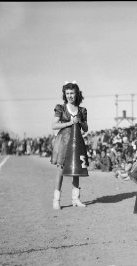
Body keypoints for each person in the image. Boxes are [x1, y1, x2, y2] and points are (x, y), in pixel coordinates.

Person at [50, 81, 88, 209]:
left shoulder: (82, 110)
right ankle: (56, 200)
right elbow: (54, 125)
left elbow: (86, 128)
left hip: (77, 141)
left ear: (76, 94)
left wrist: (80, 122)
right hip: (63, 141)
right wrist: (69, 123)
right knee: (60, 169)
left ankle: (75, 199)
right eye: (67, 93)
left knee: (76, 170)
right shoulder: (60, 108)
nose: (70, 96)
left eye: (72, 93)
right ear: (64, 94)